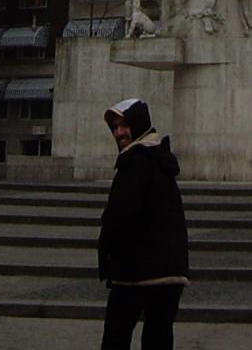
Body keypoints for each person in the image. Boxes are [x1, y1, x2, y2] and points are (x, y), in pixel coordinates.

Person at [98, 97, 189, 350]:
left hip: (135, 272)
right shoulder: (161, 159)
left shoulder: (134, 162)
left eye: (124, 125)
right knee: (159, 340)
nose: (118, 132)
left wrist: (108, 257)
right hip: (170, 273)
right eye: (115, 127)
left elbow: (120, 218)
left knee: (115, 338)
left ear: (138, 124)